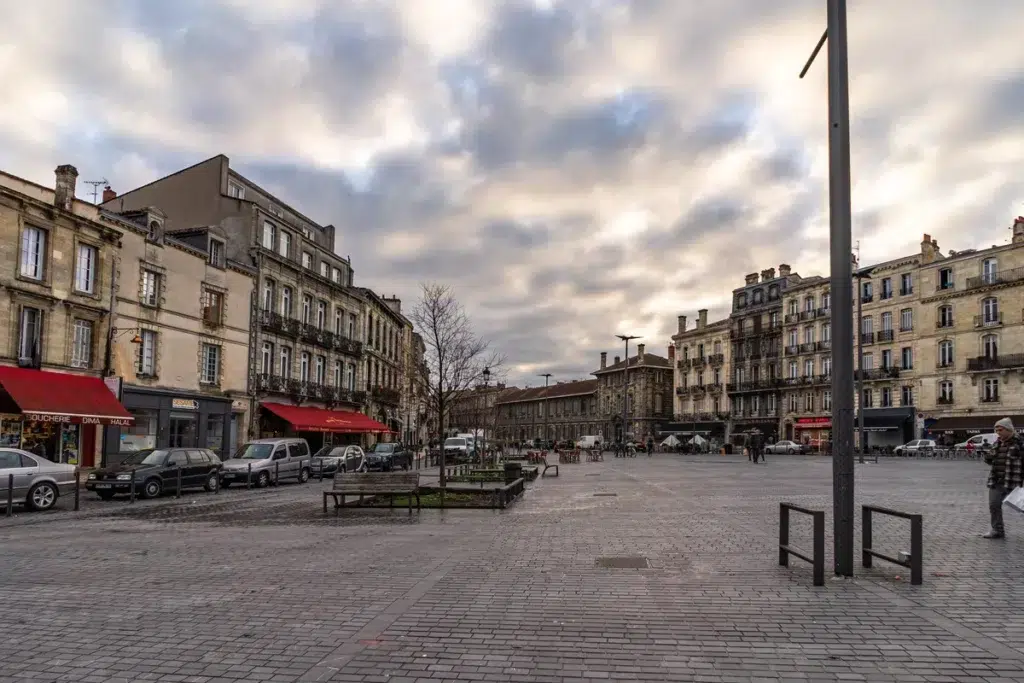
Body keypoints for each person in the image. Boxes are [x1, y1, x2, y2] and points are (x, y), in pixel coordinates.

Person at [982, 417, 1023, 539]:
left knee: (1021, 507)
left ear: (1009, 430)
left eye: (1001, 430)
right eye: (997, 430)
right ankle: (997, 530)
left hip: (1014, 482)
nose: (998, 433)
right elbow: (989, 460)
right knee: (994, 505)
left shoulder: (1020, 443)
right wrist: (988, 456)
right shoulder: (997, 443)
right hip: (996, 481)